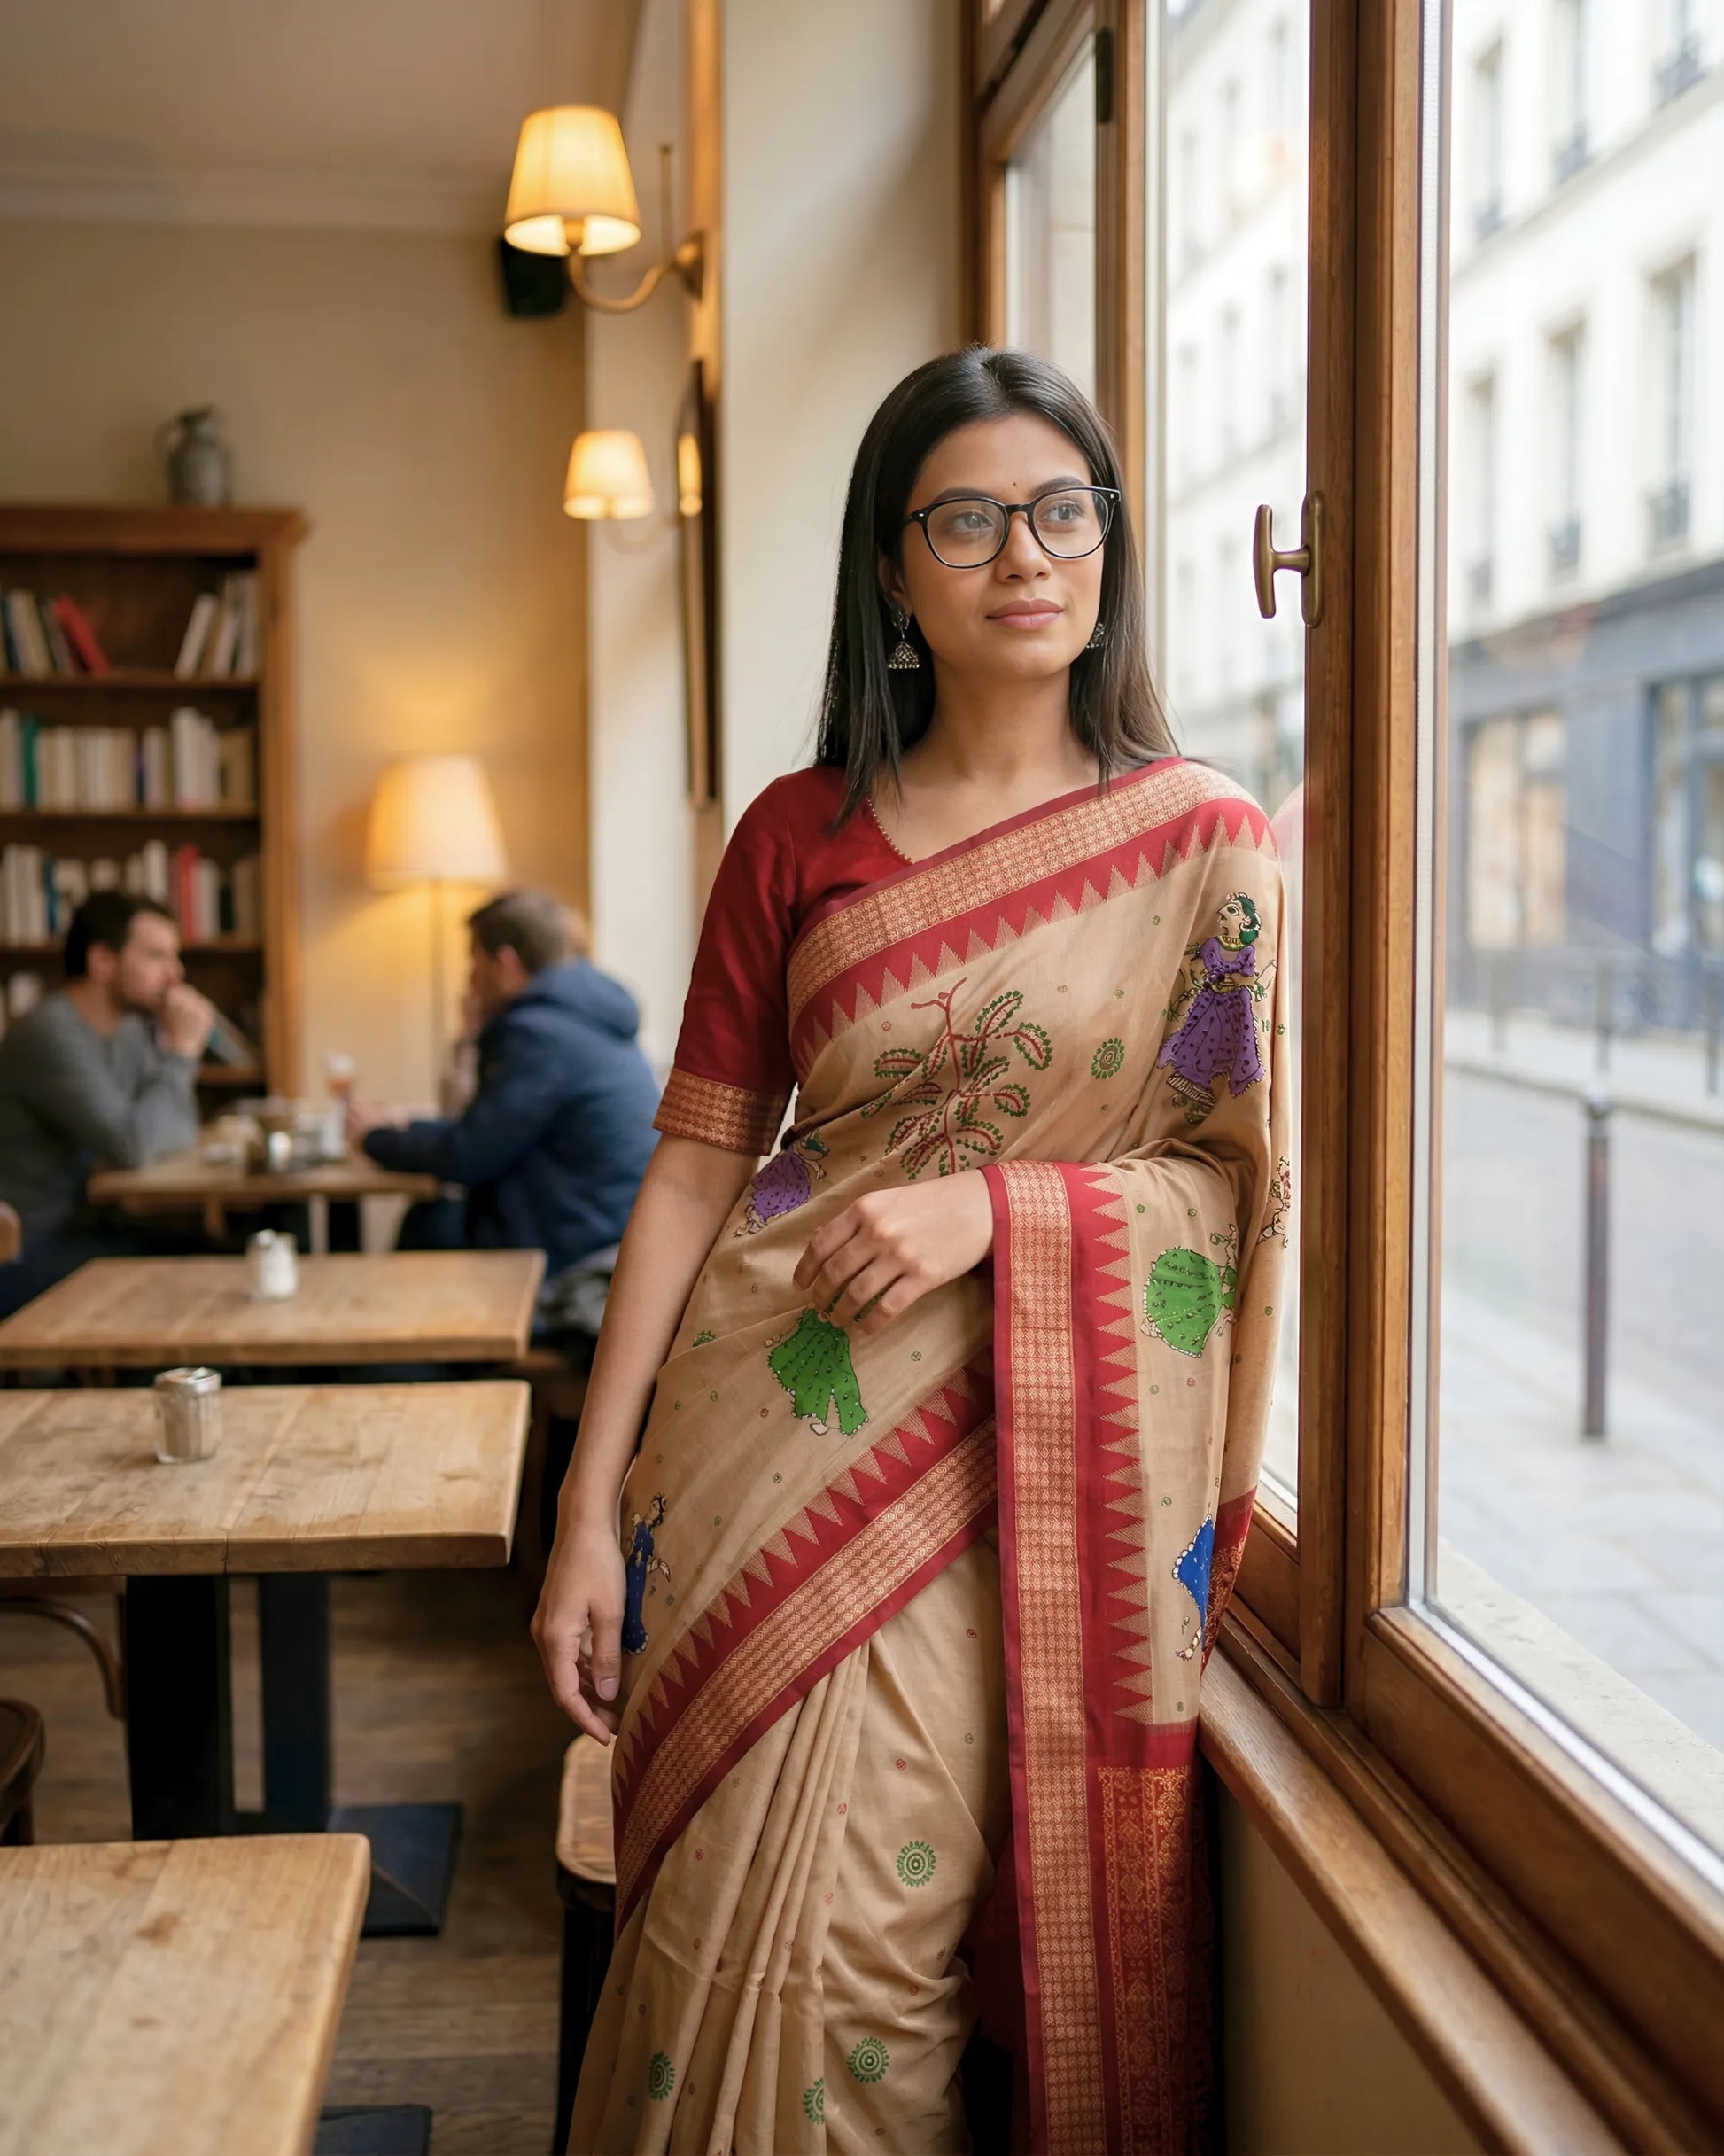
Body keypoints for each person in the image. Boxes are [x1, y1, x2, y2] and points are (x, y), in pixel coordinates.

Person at [533, 346, 1289, 2154]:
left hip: (1011, 1494)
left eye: (1059, 509)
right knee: (708, 1922)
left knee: (870, 1957)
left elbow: (1232, 1185)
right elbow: (697, 1166)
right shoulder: (796, 834)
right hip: (744, 1451)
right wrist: (585, 1498)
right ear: (891, 566)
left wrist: (998, 1210)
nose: (1022, 554)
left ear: (1106, 538)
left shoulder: (1203, 849)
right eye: (965, 518)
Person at [348, 889, 659, 1282]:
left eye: (475, 964)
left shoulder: (538, 1034)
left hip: (574, 1252)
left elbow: (469, 1155)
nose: (471, 979)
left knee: (429, 1225)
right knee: (435, 1220)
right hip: (608, 1229)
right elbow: (488, 1131)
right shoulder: (586, 1017)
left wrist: (374, 1139)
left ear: (506, 962)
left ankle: (412, 1341)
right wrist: (403, 1127)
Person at [0, 891, 214, 1312]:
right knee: (195, 1275)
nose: (176, 975)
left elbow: (178, 1126)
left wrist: (172, 1063)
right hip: (27, 1246)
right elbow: (134, 1145)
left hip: (87, 1222)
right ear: (102, 961)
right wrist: (182, 1051)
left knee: (216, 1252)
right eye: (157, 956)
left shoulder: (129, 1030)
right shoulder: (50, 1034)